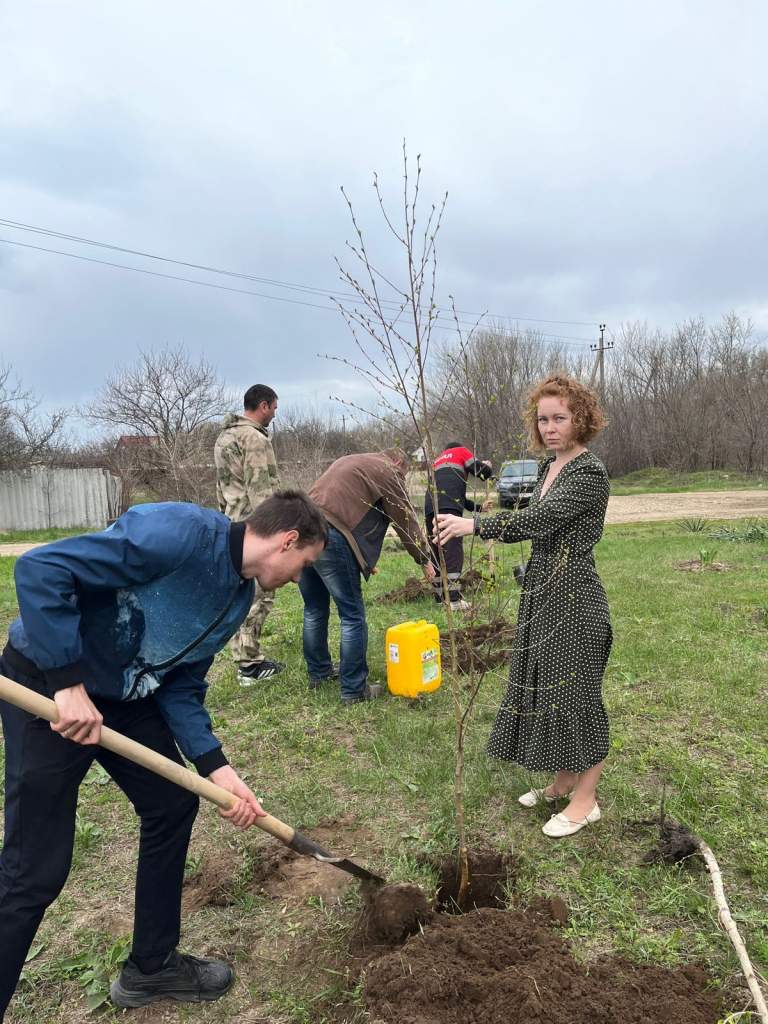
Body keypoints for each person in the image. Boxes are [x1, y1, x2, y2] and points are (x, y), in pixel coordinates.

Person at [0, 491, 327, 1019]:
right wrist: (66, 683)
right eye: (303, 565)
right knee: (33, 872)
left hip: (125, 697)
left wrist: (218, 768)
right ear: (287, 540)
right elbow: (41, 571)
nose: (296, 579)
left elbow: (179, 684)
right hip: (46, 688)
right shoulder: (175, 534)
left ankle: (151, 968)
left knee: (172, 805)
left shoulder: (237, 599)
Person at [436, 376, 611, 838]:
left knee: (577, 695)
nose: (550, 427)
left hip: (574, 594)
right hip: (542, 590)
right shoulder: (544, 468)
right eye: (543, 419)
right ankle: (563, 780)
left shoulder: (589, 473)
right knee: (548, 686)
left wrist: (473, 525)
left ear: (581, 419)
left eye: (560, 418)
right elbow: (533, 517)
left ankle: (586, 798)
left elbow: (541, 519)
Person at [300, 448, 435, 704]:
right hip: (332, 534)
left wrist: (359, 559)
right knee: (352, 615)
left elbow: (353, 509)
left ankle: (319, 673)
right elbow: (404, 520)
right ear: (398, 463)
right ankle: (353, 689)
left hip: (304, 525)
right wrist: (424, 559)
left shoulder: (353, 460)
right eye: (404, 475)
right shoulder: (388, 472)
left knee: (314, 608)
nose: (402, 479)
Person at [214, 384, 283, 684]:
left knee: (240, 593)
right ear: (264, 405)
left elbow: (221, 486)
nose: (273, 416)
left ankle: (243, 658)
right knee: (261, 594)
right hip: (255, 527)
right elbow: (261, 490)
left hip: (232, 524)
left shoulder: (224, 437)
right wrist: (275, 531)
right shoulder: (254, 439)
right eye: (274, 409)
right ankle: (250, 664)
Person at [424, 441, 493, 610]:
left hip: (430, 509)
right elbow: (482, 473)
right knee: (453, 551)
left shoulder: (437, 462)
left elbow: (458, 498)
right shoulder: (461, 451)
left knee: (438, 550)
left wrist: (479, 508)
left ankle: (441, 598)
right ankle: (453, 601)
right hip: (448, 508)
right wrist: (487, 467)